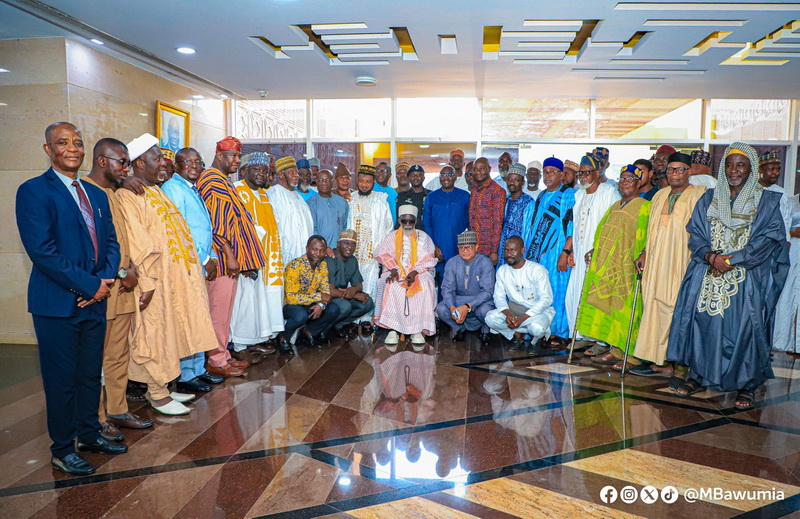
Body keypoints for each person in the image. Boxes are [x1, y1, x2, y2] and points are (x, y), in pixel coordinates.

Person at [16, 122, 126, 475]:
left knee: (90, 376)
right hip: (57, 305)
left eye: (77, 142)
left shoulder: (95, 193)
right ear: (48, 150)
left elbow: (111, 242)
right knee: (61, 383)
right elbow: (43, 252)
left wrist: (102, 283)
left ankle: (89, 435)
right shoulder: (33, 191)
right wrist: (89, 286)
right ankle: (63, 449)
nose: (73, 148)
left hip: (94, 299)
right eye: (62, 143)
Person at [667, 142, 788, 409]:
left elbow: (769, 240)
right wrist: (711, 257)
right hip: (707, 273)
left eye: (740, 165)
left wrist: (731, 260)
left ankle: (747, 385)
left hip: (746, 277)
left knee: (743, 330)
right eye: (729, 165)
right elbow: (696, 232)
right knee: (702, 325)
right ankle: (699, 375)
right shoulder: (710, 197)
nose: (734, 170)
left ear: (751, 169)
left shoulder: (766, 202)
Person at [118, 134, 218, 414]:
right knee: (152, 338)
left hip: (173, 281)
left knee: (168, 336)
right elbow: (138, 244)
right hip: (152, 282)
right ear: (139, 163)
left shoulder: (155, 190)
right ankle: (158, 393)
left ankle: (165, 388)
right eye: (157, 158)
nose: (163, 163)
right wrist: (147, 283)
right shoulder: (130, 195)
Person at [82, 138, 154, 441]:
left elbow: (122, 238)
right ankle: (97, 420)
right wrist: (122, 271)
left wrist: (133, 270)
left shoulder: (114, 191)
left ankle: (117, 409)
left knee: (118, 355)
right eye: (121, 162)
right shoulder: (85, 192)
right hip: (104, 287)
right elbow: (93, 246)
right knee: (95, 360)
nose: (126, 167)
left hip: (125, 286)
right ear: (102, 162)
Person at [629, 152, 707, 379]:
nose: (674, 173)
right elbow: (652, 230)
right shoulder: (660, 195)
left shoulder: (699, 195)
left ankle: (676, 363)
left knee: (675, 308)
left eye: (680, 169)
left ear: (689, 171)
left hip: (682, 261)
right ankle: (656, 359)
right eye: (671, 169)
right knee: (652, 304)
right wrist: (644, 252)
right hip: (655, 262)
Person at [197, 136, 265, 377]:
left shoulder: (223, 180)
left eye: (238, 155)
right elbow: (217, 224)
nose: (237, 160)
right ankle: (216, 359)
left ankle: (223, 354)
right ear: (219, 156)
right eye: (232, 156)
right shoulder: (213, 181)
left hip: (231, 259)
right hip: (224, 260)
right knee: (218, 310)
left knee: (224, 311)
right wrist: (230, 254)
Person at [160, 147, 226, 390]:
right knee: (188, 319)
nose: (194, 165)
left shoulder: (191, 188)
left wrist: (209, 256)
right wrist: (203, 258)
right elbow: (181, 231)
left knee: (199, 318)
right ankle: (187, 375)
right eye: (188, 162)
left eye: (198, 161)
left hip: (198, 263)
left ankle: (198, 369)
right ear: (176, 165)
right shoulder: (173, 190)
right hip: (186, 265)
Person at [578, 165, 651, 371]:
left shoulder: (645, 206)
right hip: (610, 266)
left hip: (629, 267)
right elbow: (602, 232)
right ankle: (617, 348)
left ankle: (633, 354)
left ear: (639, 182)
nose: (625, 183)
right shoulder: (616, 205)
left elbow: (649, 237)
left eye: (630, 179)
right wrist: (594, 250)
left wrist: (643, 253)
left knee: (629, 310)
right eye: (622, 179)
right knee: (611, 310)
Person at [563, 153, 621, 355]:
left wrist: (600, 250)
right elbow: (574, 227)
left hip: (600, 256)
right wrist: (570, 250)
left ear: (598, 172)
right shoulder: (578, 195)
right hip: (579, 255)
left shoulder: (609, 193)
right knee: (575, 295)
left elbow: (613, 226)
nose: (583, 177)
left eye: (588, 172)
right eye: (581, 173)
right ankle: (580, 336)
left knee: (597, 298)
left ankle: (600, 341)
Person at [232, 152, 286, 354]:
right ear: (244, 171)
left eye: (265, 171)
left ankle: (258, 338)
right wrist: (244, 258)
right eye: (257, 170)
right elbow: (235, 227)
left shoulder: (264, 194)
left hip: (266, 258)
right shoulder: (238, 190)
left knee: (260, 301)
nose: (262, 174)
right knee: (245, 301)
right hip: (246, 260)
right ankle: (240, 342)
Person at [521, 156, 576, 347]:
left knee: (558, 293)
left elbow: (572, 225)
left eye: (552, 172)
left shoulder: (568, 195)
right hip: (538, 256)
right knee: (541, 293)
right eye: (546, 172)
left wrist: (566, 252)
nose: (548, 176)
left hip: (558, 254)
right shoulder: (541, 196)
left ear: (562, 175)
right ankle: (541, 329)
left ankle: (560, 332)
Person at [374, 205, 437, 349]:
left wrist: (414, 273)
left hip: (419, 272)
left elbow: (429, 259)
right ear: (399, 220)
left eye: (411, 221)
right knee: (392, 284)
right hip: (396, 271)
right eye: (404, 221)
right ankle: (393, 329)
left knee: (424, 284)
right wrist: (394, 269)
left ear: (416, 220)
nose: (407, 224)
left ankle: (417, 329)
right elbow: (381, 253)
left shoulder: (423, 237)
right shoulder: (391, 237)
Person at [485, 237, 554, 350]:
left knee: (537, 328)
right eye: (506, 250)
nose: (509, 254)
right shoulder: (502, 270)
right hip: (514, 310)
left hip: (536, 312)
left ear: (522, 250)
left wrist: (522, 318)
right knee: (490, 318)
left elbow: (546, 299)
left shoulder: (537, 270)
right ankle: (515, 336)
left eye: (513, 250)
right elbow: (498, 296)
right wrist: (508, 314)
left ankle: (535, 341)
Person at [348, 164, 394, 321]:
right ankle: (352, 321)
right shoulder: (350, 199)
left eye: (368, 181)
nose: (364, 184)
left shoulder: (381, 200)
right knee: (352, 284)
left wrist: (382, 251)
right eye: (361, 181)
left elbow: (388, 227)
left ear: (373, 182)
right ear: (357, 181)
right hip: (352, 253)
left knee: (371, 284)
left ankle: (368, 319)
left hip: (372, 253)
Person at [279, 235, 341, 350]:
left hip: (308, 302)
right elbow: (291, 297)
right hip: (291, 305)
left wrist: (321, 304)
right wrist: (318, 297)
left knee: (334, 309)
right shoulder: (295, 266)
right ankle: (284, 337)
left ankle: (309, 333)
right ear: (307, 248)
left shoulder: (322, 264)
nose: (318, 253)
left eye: (322, 251)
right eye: (314, 249)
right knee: (300, 315)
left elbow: (326, 293)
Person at [435, 230, 495, 343]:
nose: (465, 251)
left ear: (476, 247)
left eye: (469, 247)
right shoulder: (452, 262)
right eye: (461, 247)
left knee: (485, 311)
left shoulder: (485, 263)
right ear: (458, 248)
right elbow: (447, 288)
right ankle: (459, 329)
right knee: (441, 309)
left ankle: (485, 331)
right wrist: (452, 307)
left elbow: (487, 292)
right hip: (460, 300)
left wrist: (467, 306)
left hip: (480, 302)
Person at [422, 165, 470, 284]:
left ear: (455, 178)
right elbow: (426, 223)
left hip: (457, 245)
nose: (446, 178)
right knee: (440, 281)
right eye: (443, 175)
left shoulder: (465, 196)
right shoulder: (431, 197)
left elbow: (469, 221)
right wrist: (433, 246)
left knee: (459, 279)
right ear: (439, 178)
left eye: (450, 175)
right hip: (438, 245)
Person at [267, 156, 314, 265]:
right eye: (291, 173)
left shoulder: (298, 196)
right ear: (281, 175)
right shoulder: (273, 195)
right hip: (284, 256)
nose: (296, 176)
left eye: (296, 173)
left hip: (303, 256)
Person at [327, 230, 375, 337]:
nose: (349, 247)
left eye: (353, 244)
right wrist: (355, 294)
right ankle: (325, 327)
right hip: (329, 297)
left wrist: (353, 290)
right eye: (346, 243)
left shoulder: (352, 260)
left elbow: (358, 285)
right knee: (345, 306)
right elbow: (329, 291)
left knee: (368, 302)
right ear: (338, 244)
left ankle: (337, 325)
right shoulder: (329, 259)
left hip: (343, 296)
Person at [774, 193, 800, 353]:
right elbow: (782, 225)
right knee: (788, 292)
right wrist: (792, 233)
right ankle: (784, 340)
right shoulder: (791, 200)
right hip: (793, 249)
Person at [469, 157, 506, 265]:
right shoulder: (475, 189)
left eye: (482, 169)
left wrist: (494, 251)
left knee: (487, 281)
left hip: (488, 250)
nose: (478, 172)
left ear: (489, 169)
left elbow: (497, 223)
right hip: (474, 247)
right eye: (475, 169)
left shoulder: (497, 191)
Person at [497, 163, 534, 265]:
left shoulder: (529, 202)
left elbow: (528, 232)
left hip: (518, 253)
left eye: (516, 180)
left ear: (522, 182)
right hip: (503, 250)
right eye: (509, 179)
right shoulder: (505, 199)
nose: (512, 183)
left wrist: (524, 254)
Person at [306, 168, 349, 254]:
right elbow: (312, 229)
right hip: (319, 252)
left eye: (327, 180)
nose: (324, 183)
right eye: (321, 180)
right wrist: (324, 248)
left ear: (333, 181)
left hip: (339, 251)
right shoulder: (311, 204)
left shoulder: (342, 202)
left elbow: (345, 226)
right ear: (316, 182)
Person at [758, 150, 793, 244]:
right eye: (771, 169)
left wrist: (787, 241)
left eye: (778, 169)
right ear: (760, 170)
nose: (776, 173)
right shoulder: (750, 191)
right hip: (755, 242)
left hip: (776, 242)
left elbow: (785, 219)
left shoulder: (782, 192)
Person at [396, 164, 430, 229]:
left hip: (427, 233)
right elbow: (399, 218)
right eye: (413, 175)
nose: (416, 178)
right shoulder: (401, 196)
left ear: (424, 178)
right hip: (408, 233)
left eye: (419, 175)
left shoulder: (430, 195)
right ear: (408, 178)